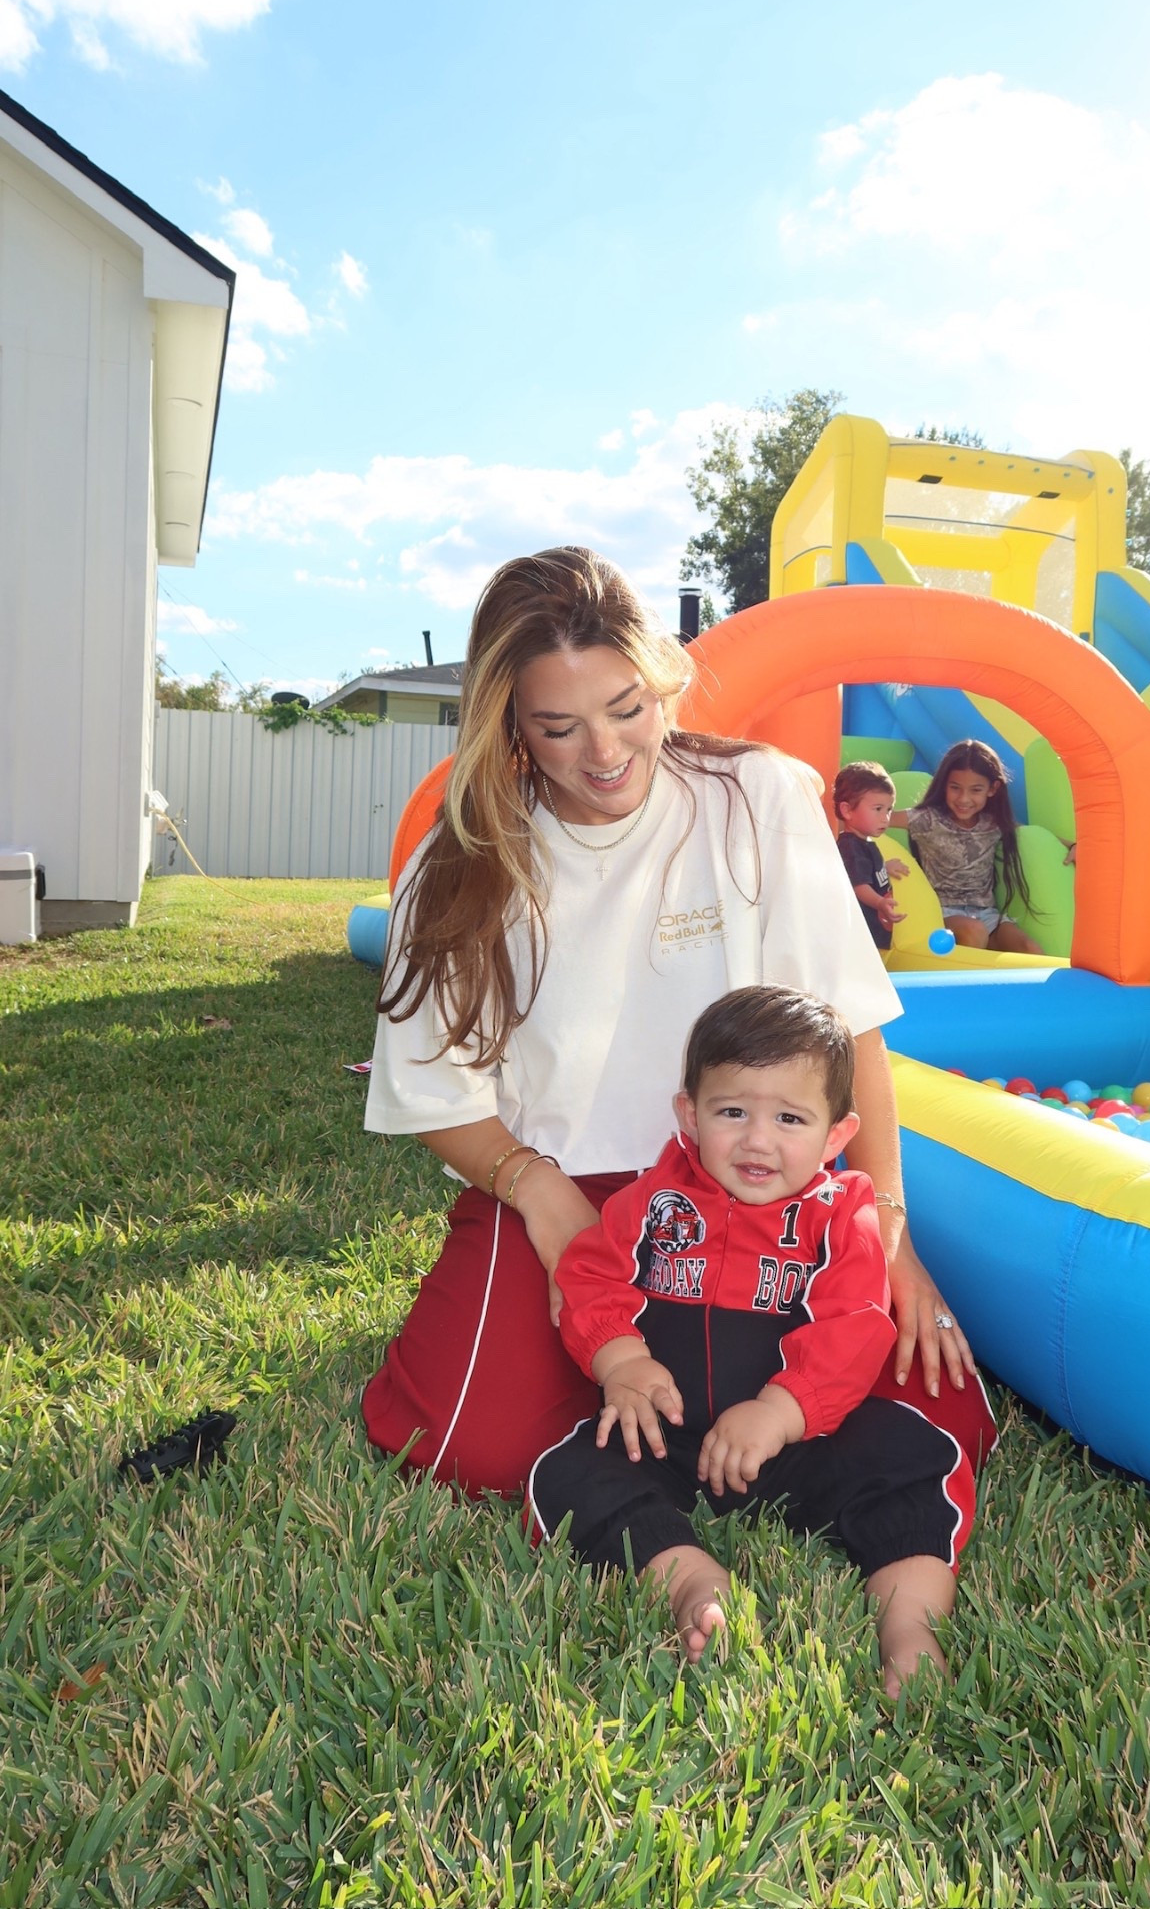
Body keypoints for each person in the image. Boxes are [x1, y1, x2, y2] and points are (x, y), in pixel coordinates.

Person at [361, 546, 995, 1498]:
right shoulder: (460, 864)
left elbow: (849, 1027)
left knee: (933, 1411)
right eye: (560, 727)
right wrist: (542, 1201)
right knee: (473, 1447)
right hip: (566, 1186)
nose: (606, 754)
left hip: (763, 1183)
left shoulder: (759, 796)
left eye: (627, 709)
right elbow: (430, 1092)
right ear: (512, 728)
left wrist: (887, 1233)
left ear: (662, 682)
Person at [529, 986, 981, 1689]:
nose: (757, 1139)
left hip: (802, 1446)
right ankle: (690, 1580)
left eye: (790, 1118)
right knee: (567, 1467)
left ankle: (909, 1624)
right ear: (690, 1115)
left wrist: (780, 1410)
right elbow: (588, 1276)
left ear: (836, 1135)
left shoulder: (843, 1217)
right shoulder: (652, 1202)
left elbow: (853, 1328)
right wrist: (621, 1359)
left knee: (914, 1455)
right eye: (731, 1111)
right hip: (667, 1437)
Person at [901, 740, 1041, 954]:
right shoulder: (927, 819)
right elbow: (876, 820)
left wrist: (1077, 847)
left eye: (975, 790)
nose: (964, 799)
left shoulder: (993, 822)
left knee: (1030, 949)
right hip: (941, 913)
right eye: (955, 788)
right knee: (974, 931)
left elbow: (1039, 837)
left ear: (992, 789)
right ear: (944, 785)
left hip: (987, 915)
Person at [833, 761, 910, 951]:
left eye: (889, 809)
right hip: (862, 935)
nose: (885, 817)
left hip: (873, 933)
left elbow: (865, 871)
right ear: (847, 810)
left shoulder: (862, 843)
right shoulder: (850, 846)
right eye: (878, 809)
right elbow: (859, 886)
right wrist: (880, 902)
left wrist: (884, 868)